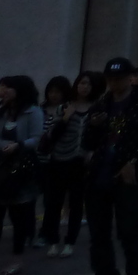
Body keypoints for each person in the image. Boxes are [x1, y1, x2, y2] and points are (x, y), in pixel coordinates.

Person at [81, 58, 138, 275]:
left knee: (129, 231)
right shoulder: (101, 104)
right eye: (110, 79)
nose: (114, 83)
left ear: (130, 77)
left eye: (119, 78)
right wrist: (93, 127)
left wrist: (134, 161)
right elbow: (88, 142)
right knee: (98, 233)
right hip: (100, 175)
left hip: (130, 177)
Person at [0, 75, 44, 275]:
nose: (2, 90)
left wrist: (19, 145)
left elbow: (37, 138)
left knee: (19, 218)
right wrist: (2, 146)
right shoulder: (0, 111)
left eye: (7, 87)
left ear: (19, 90)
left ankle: (17, 259)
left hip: (21, 171)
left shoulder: (33, 112)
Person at [40, 74, 92, 256]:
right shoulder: (65, 107)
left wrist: (90, 152)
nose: (85, 87)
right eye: (82, 83)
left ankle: (70, 241)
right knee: (54, 203)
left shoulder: (95, 110)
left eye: (89, 84)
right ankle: (53, 241)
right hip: (58, 160)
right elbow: (51, 134)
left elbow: (97, 136)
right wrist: (65, 119)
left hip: (80, 163)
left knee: (76, 204)